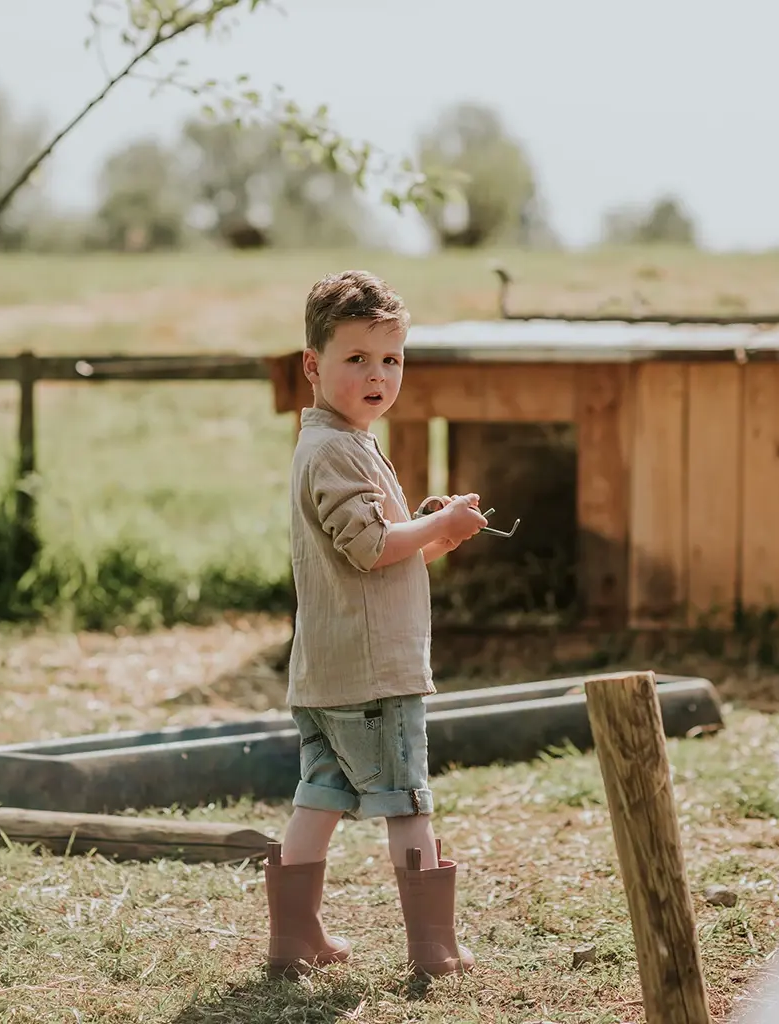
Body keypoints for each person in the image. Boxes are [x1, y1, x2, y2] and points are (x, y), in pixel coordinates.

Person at [263, 269, 488, 980]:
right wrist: (435, 526)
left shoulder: (339, 441)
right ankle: (433, 947)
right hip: (374, 672)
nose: (377, 375)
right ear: (313, 365)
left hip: (327, 670)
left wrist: (434, 531)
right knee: (409, 803)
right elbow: (370, 548)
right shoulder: (335, 449)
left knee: (320, 795)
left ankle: (295, 939)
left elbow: (381, 548)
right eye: (356, 358)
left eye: (391, 359)